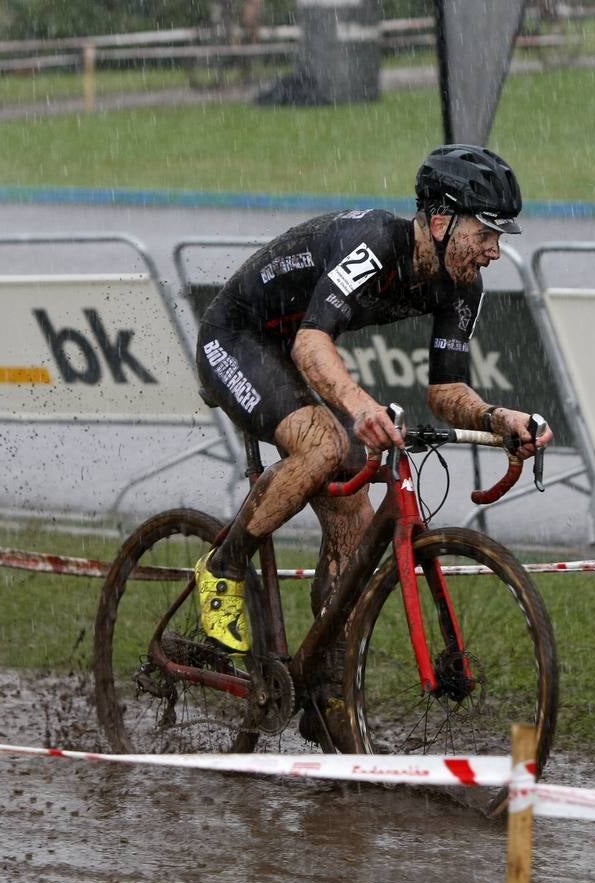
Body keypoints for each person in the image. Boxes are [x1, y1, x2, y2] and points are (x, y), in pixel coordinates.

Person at [193, 144, 553, 750]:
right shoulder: (373, 245)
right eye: (487, 231)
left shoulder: (462, 283)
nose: (496, 248)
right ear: (439, 222)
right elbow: (312, 345)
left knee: (356, 525)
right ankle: (221, 569)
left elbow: (445, 390)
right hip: (237, 337)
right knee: (325, 443)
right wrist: (361, 408)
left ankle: (321, 689)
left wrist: (497, 418)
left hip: (288, 352)